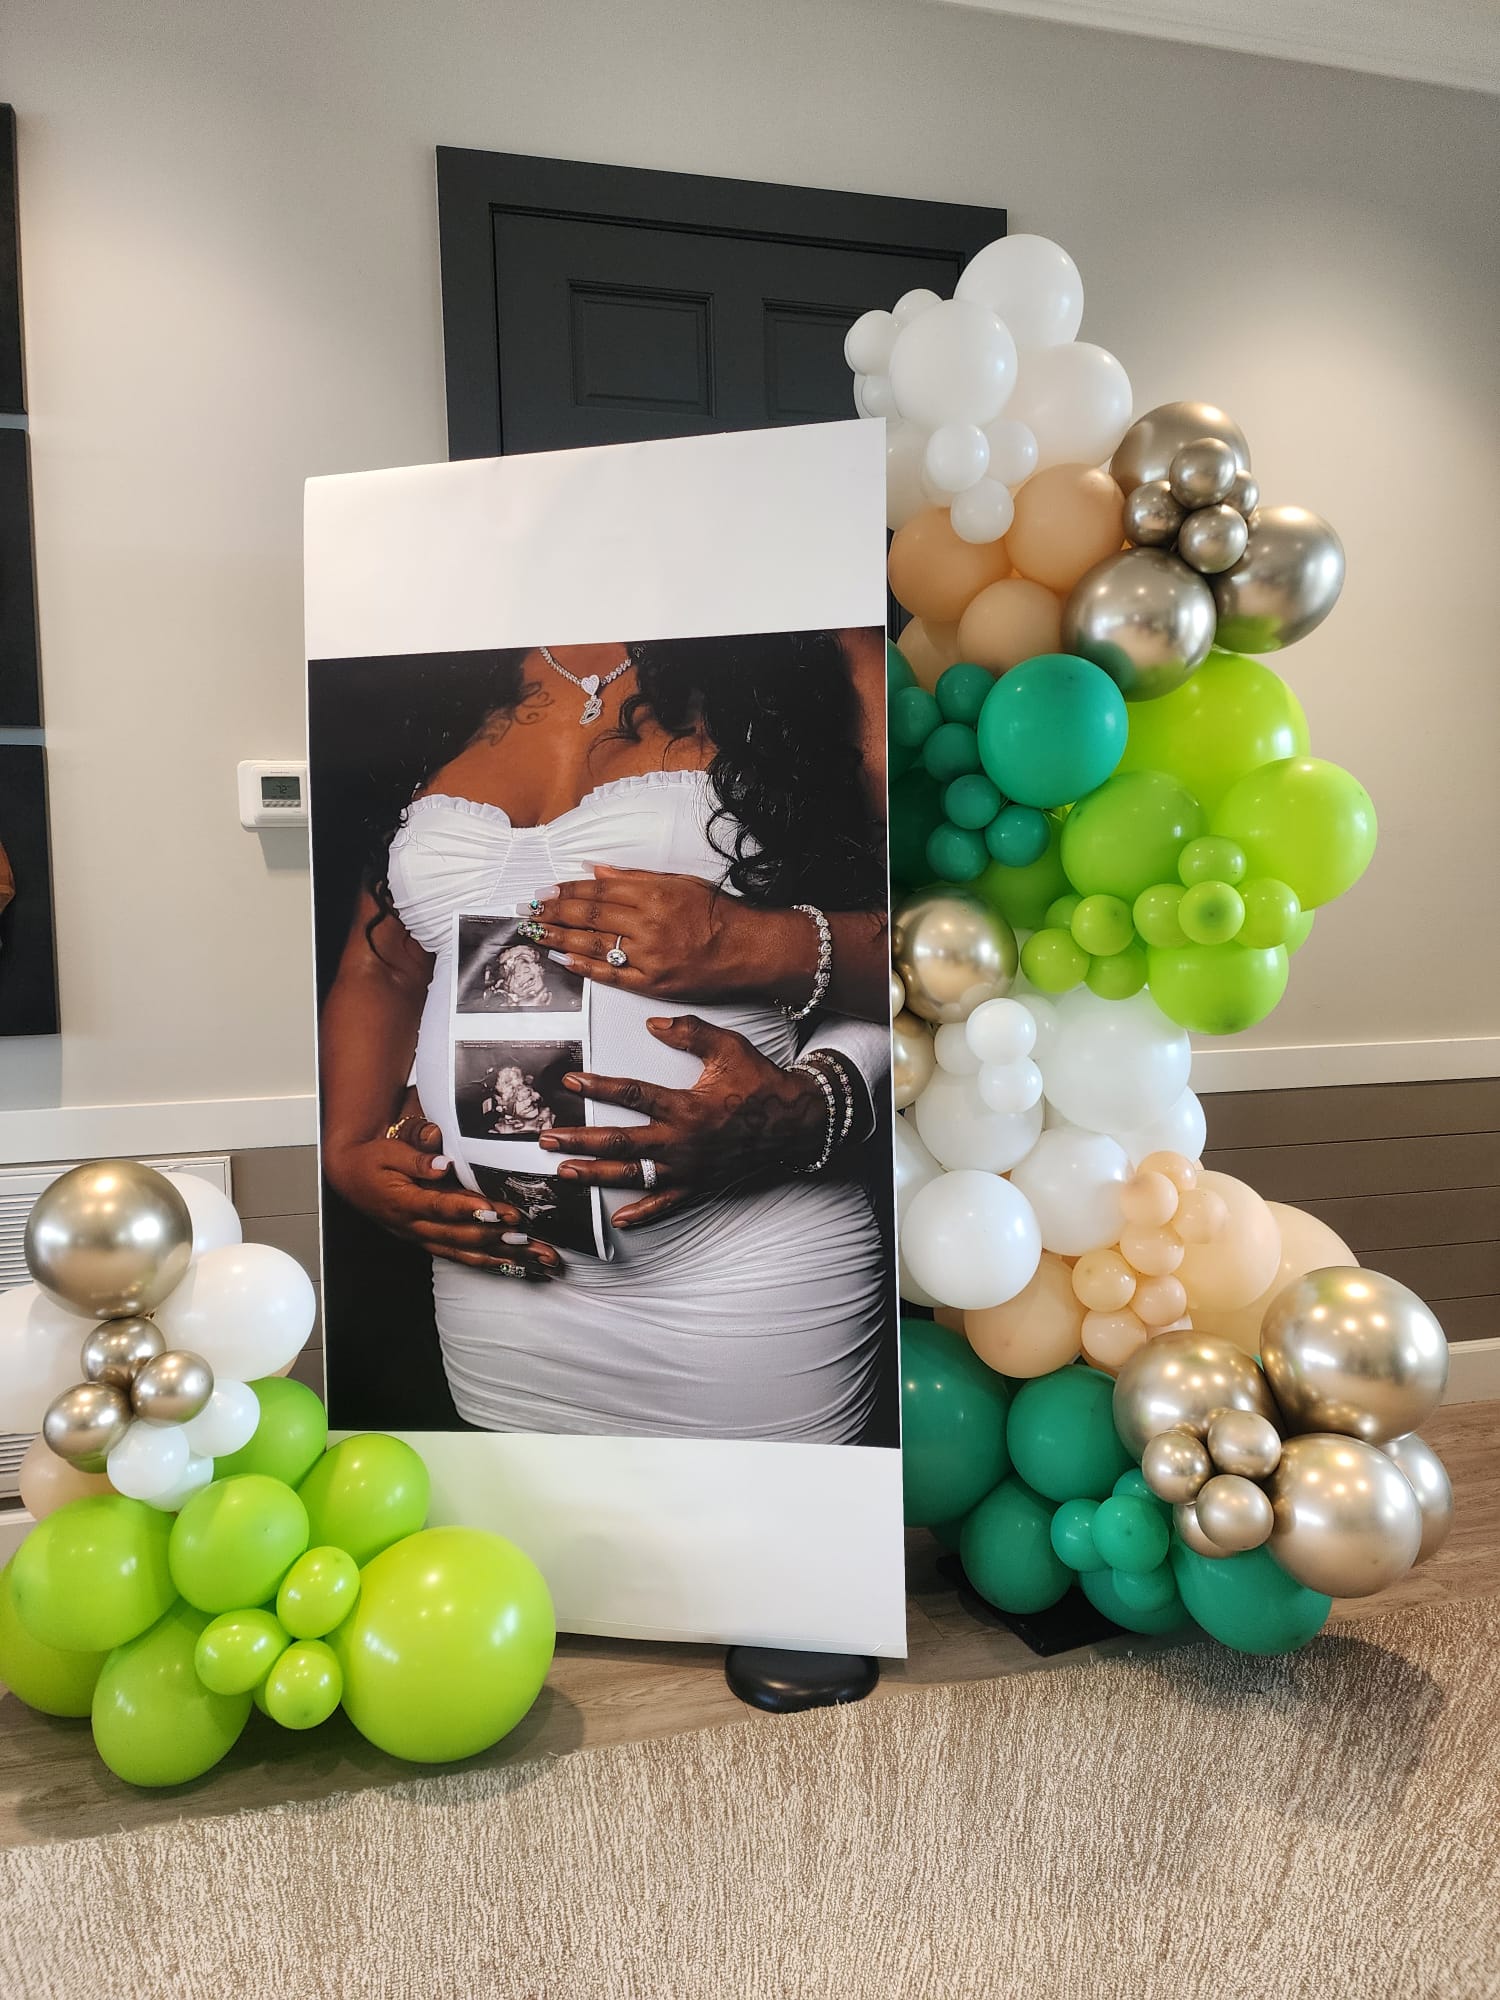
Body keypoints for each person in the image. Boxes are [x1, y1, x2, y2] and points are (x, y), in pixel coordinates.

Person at [318, 630, 891, 1442]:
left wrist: (760, 955)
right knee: (526, 1526)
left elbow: (943, 939)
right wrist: (347, 1148)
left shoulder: (817, 649)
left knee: (757, 1524)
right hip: (501, 1282)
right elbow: (384, 967)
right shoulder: (447, 672)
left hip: (742, 1270)